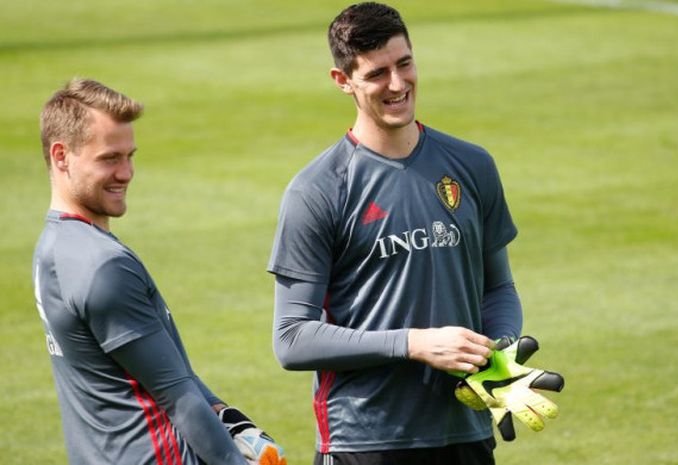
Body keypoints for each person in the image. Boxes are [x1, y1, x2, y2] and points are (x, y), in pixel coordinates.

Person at [267, 3, 524, 465]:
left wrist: (498, 352)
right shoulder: (318, 190)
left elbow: (498, 288)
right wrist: (414, 344)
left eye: (405, 64)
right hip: (364, 441)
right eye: (377, 73)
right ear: (342, 80)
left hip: (463, 433)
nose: (398, 84)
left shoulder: (472, 166)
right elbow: (291, 338)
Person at [33, 78, 285, 465]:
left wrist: (229, 418)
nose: (126, 172)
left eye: (130, 156)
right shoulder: (104, 266)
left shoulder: (53, 247)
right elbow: (176, 393)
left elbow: (158, 370)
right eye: (109, 158)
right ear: (62, 155)